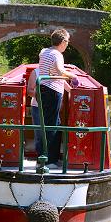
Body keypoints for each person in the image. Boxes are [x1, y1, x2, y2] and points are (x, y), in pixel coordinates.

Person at [26, 29, 78, 167]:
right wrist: (73, 76)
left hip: (42, 90)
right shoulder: (57, 55)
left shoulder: (44, 52)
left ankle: (45, 157)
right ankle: (49, 160)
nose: (68, 45)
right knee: (52, 125)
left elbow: (52, 72)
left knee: (49, 123)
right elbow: (60, 71)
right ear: (63, 42)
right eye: (67, 41)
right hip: (53, 91)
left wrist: (69, 89)